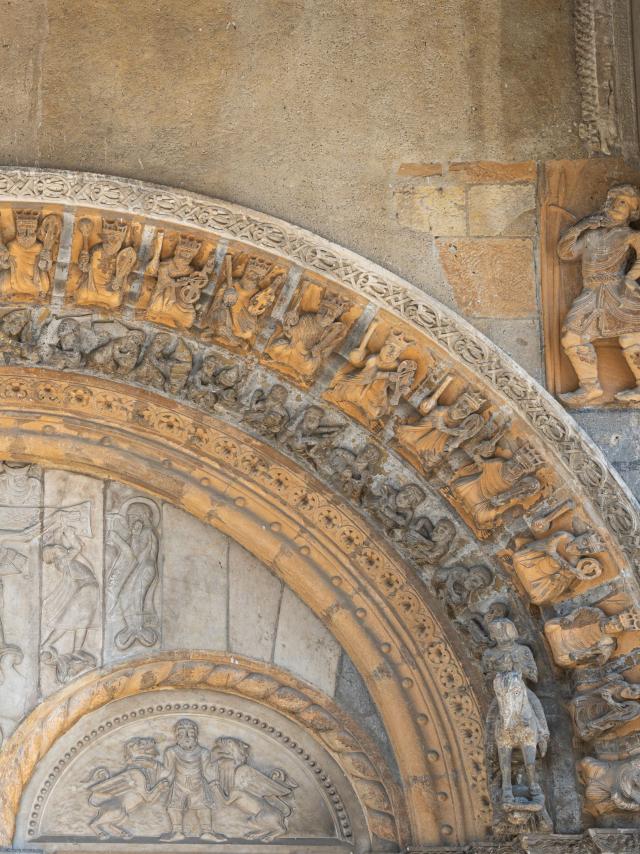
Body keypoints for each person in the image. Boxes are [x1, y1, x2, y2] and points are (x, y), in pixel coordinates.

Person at [558, 184, 640, 405]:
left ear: (632, 211)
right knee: (571, 336)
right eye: (613, 200)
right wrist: (581, 227)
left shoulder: (631, 235)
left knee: (632, 336)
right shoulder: (592, 236)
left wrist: (630, 279)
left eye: (623, 202)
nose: (616, 205)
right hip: (592, 292)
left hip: (619, 291)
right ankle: (590, 388)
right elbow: (565, 252)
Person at [161, 719, 224, 842]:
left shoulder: (203, 752)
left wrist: (220, 767)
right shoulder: (171, 751)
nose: (187, 736)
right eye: (182, 733)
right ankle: (177, 831)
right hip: (179, 784)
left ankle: (207, 832)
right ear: (177, 735)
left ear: (196, 735)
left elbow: (207, 771)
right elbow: (167, 771)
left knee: (204, 807)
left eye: (190, 732)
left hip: (198, 784)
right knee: (173, 807)